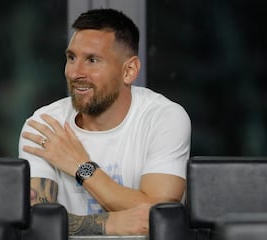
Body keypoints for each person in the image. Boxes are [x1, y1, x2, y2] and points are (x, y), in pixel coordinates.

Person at [19, 8, 191, 236]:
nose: (75, 72)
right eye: (71, 58)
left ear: (129, 70)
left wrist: (82, 167)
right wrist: (109, 224)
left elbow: (160, 218)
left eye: (92, 60)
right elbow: (37, 225)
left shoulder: (164, 118)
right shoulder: (45, 125)